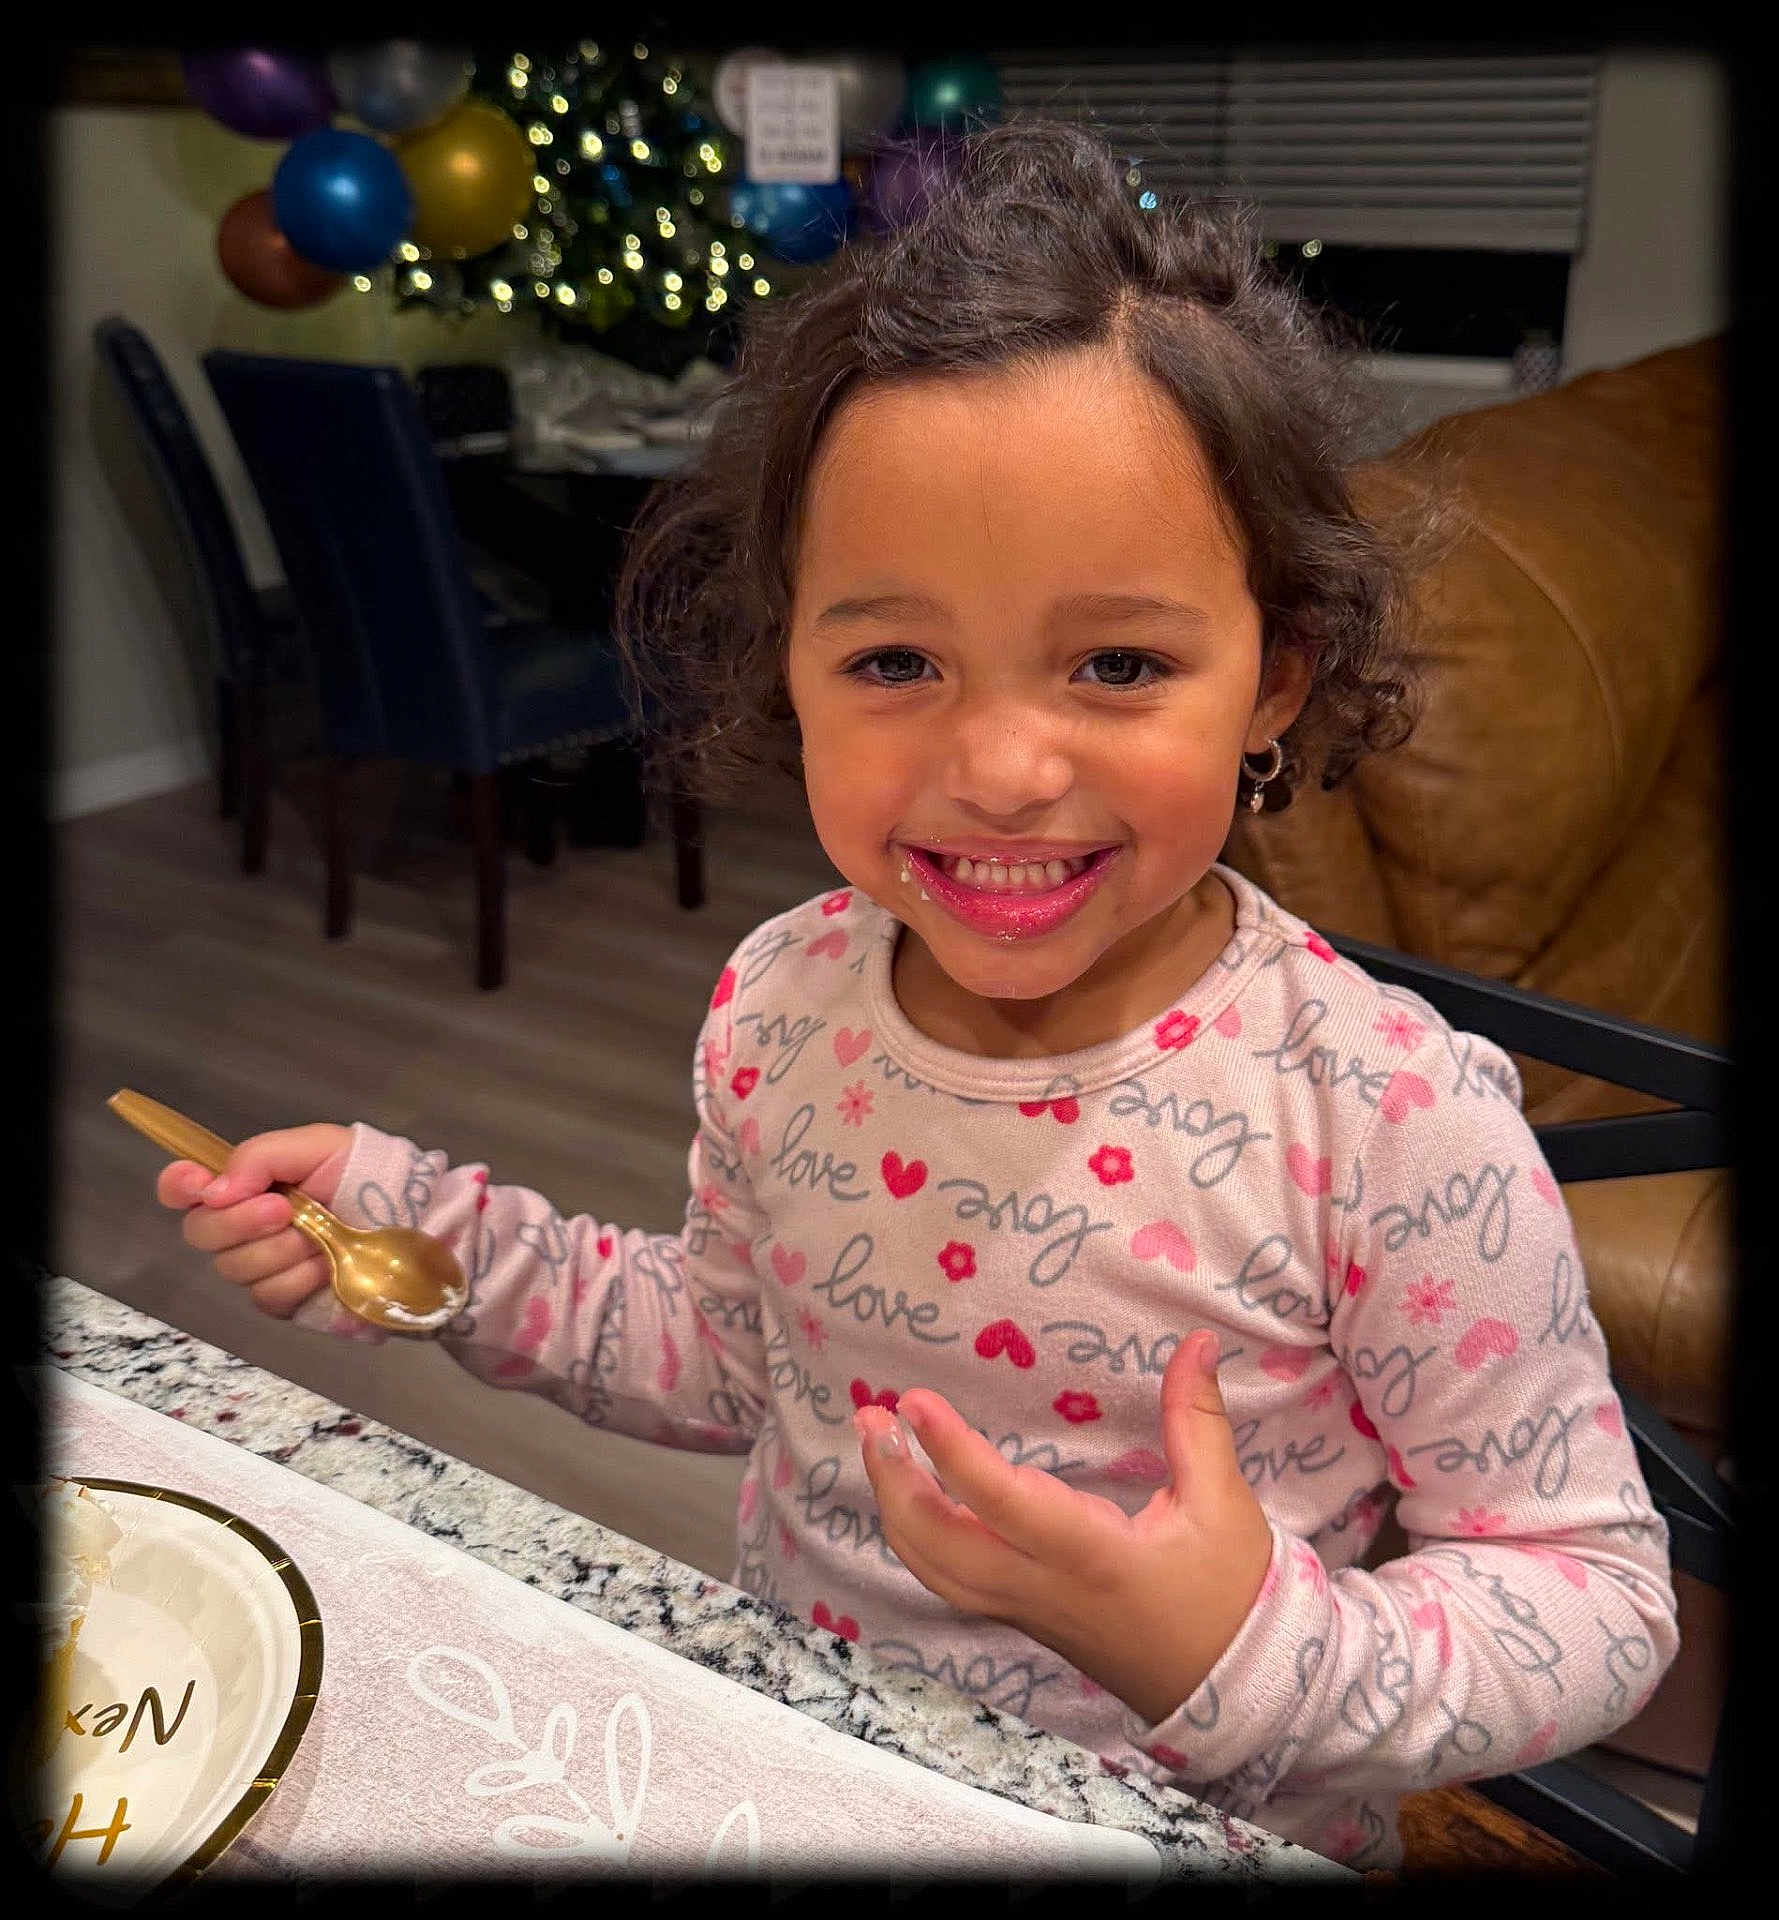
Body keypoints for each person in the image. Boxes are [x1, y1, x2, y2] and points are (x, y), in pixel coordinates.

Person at [151, 119, 1679, 1875]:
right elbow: (737, 1360)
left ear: (1277, 675)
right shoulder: (781, 1002)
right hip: (798, 1767)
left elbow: (1594, 1597)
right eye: (895, 661)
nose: (1006, 765)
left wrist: (1246, 1649)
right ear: (787, 662)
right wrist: (427, 1248)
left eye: (1119, 662)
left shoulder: (1392, 1119)